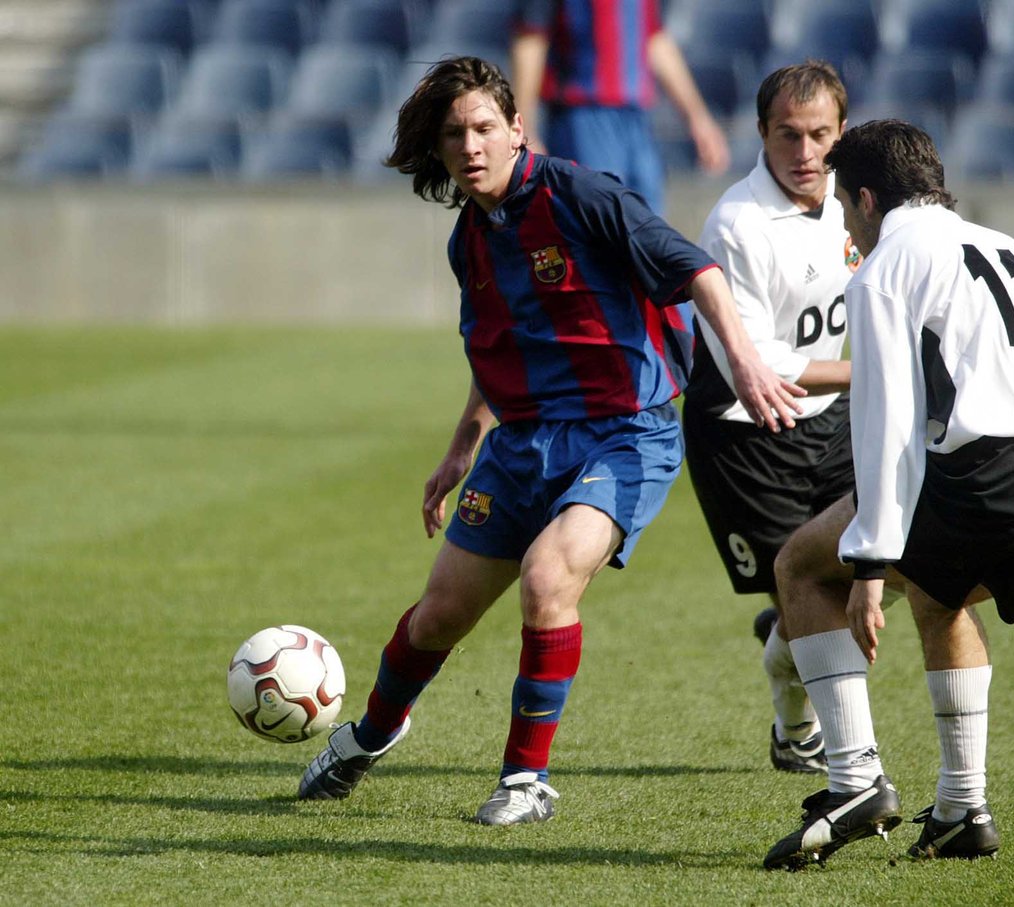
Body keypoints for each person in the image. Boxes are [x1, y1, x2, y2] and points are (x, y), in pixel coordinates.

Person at [297, 55, 803, 826]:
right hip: (522, 443)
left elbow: (698, 271)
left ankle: (525, 783)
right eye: (453, 135)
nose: (469, 146)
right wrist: (463, 444)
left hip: (625, 434)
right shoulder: (468, 240)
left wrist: (744, 363)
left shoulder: (580, 195)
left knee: (547, 578)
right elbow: (498, 347)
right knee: (437, 616)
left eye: (482, 128)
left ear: (515, 130)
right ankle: (370, 733)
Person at [761, 119, 1014, 869]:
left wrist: (870, 563)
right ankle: (961, 808)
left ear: (867, 199)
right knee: (943, 598)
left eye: (845, 209)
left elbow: (890, 423)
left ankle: (853, 782)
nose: (846, 225)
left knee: (804, 566)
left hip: (991, 475)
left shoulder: (885, 268)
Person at [682, 61, 859, 776]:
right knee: (813, 594)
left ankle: (785, 644)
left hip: (835, 418)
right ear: (761, 133)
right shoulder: (737, 225)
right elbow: (763, 366)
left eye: (820, 134)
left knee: (859, 573)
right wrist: (879, 372)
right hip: (746, 434)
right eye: (789, 134)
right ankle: (798, 732)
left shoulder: (859, 201)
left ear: (842, 132)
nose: (806, 152)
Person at [510, 0, 730, 214]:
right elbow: (531, 38)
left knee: (648, 225)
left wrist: (698, 119)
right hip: (583, 115)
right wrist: (525, 128)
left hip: (637, 118)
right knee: (598, 224)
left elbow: (654, 38)